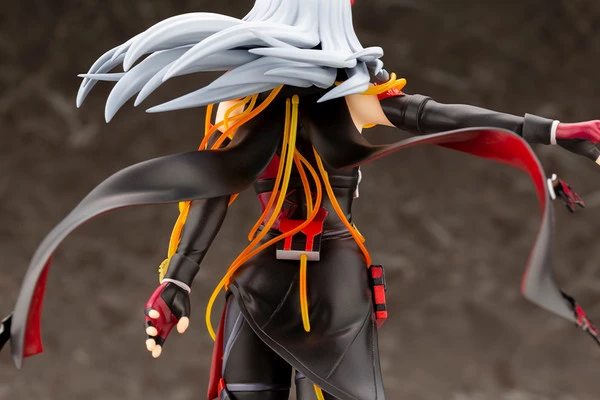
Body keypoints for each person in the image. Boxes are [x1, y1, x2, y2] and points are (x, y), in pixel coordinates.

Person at [2, 1, 600, 399]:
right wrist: (177, 278)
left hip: (333, 291)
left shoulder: (350, 97)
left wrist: (550, 131)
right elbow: (215, 186)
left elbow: (439, 117)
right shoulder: (245, 103)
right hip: (261, 283)